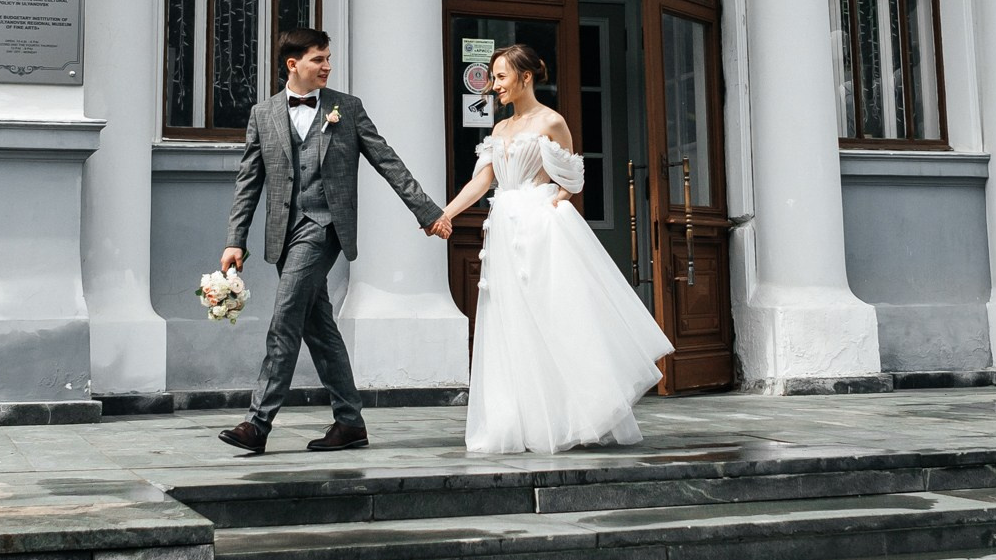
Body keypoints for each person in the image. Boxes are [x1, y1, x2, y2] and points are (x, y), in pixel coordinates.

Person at [217, 28, 451, 455]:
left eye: (328, 59)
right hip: (282, 235)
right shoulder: (263, 114)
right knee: (319, 329)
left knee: (285, 317)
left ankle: (257, 423)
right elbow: (248, 181)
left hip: (323, 228)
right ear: (293, 64)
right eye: (319, 59)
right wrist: (236, 239)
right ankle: (350, 422)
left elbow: (388, 161)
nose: (328, 66)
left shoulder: (347, 108)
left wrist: (428, 211)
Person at [434, 44, 673, 455]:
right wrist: (446, 214)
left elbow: (573, 177)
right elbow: (483, 181)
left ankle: (568, 417)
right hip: (505, 228)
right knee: (510, 320)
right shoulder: (500, 129)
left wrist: (555, 198)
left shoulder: (552, 121)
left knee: (552, 316)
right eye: (493, 78)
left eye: (501, 77)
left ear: (526, 78)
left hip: (540, 228)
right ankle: (517, 420)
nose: (494, 87)